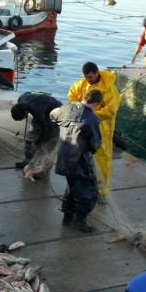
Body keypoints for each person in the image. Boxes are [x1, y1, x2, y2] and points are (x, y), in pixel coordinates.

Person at [50, 88, 103, 232]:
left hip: (63, 158)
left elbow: (52, 115)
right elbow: (95, 143)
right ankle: (79, 220)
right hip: (80, 160)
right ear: (96, 103)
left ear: (84, 97)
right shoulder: (92, 118)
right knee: (90, 192)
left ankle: (67, 217)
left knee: (71, 187)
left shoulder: (66, 108)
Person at [68, 62, 120, 202]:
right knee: (82, 159)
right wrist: (77, 110)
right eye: (86, 77)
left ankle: (102, 191)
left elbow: (110, 110)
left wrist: (90, 115)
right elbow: (72, 97)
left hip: (102, 130)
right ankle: (82, 187)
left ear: (97, 73)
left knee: (102, 160)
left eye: (90, 77)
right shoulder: (81, 84)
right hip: (83, 128)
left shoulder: (109, 89)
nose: (88, 80)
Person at [11, 93, 63, 174]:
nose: (22, 120)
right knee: (30, 137)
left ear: (26, 113)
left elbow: (44, 131)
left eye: (22, 118)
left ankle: (44, 169)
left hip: (56, 113)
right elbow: (28, 93)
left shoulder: (36, 111)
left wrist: (36, 143)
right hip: (43, 109)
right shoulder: (21, 99)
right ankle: (28, 161)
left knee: (48, 142)